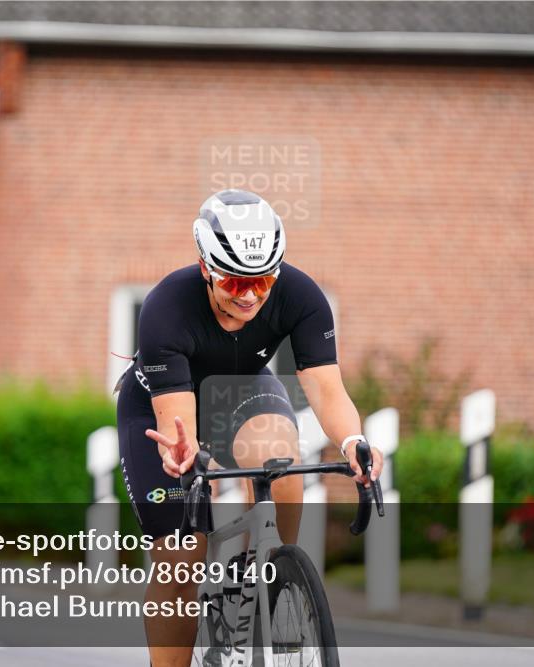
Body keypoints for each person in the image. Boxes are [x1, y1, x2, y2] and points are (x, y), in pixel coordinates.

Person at [116, 189, 384, 667]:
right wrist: (184, 456)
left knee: (281, 468)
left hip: (242, 390)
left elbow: (325, 387)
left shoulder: (300, 296)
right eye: (235, 284)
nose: (250, 297)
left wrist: (352, 441)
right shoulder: (165, 310)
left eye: (262, 282)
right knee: (180, 558)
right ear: (206, 268)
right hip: (165, 411)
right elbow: (176, 417)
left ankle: (278, 583)